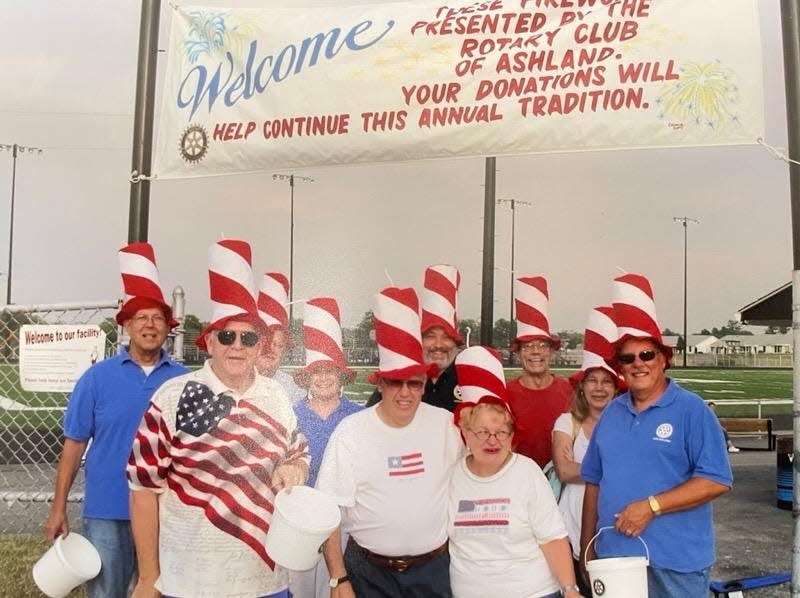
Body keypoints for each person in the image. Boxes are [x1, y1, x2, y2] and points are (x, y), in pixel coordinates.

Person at [127, 240, 309, 598]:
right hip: (191, 580)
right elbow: (143, 490)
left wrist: (296, 468)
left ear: (260, 347)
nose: (237, 345)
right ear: (209, 342)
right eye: (226, 336)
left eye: (248, 337)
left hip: (265, 580)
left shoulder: (277, 397)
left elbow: (298, 451)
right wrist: (149, 577)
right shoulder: (170, 397)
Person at [44, 242, 187, 598]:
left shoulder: (185, 380)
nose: (150, 326)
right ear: (126, 326)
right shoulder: (96, 378)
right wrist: (58, 507)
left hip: (166, 509)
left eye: (158, 318)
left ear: (168, 328)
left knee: (162, 590)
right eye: (141, 318)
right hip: (108, 509)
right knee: (107, 591)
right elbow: (74, 445)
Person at [580, 274, 732, 598]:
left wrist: (652, 506)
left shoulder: (692, 410)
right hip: (615, 560)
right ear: (619, 367)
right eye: (627, 358)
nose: (638, 364)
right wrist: (585, 549)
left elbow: (717, 479)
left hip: (675, 564)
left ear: (663, 359)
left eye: (646, 355)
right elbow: (594, 482)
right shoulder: (612, 413)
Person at [317, 286, 462, 598]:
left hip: (434, 572)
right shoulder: (351, 431)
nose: (405, 393)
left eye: (415, 383)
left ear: (425, 383)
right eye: (395, 382)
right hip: (369, 574)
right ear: (380, 383)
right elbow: (328, 508)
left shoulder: (446, 425)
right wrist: (338, 578)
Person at [448, 346, 581, 598]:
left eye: (501, 432)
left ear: (511, 436)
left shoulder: (526, 472)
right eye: (482, 432)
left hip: (532, 592)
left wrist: (570, 589)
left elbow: (552, 538)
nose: (492, 441)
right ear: (466, 433)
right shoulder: (453, 476)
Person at [289, 297, 362, 598]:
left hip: (344, 517)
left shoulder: (357, 415)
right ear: (306, 378)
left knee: (339, 584)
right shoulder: (290, 413)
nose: (323, 379)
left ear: (341, 376)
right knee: (301, 587)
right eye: (316, 373)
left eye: (329, 371)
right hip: (301, 515)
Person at [552, 306, 622, 594]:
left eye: (607, 381)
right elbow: (565, 470)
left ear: (617, 389)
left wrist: (588, 470)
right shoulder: (567, 421)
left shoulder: (626, 423)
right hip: (572, 524)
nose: (599, 388)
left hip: (614, 521)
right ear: (581, 387)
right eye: (592, 380)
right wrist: (614, 472)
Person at [366, 264, 462, 411]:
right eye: (430, 336)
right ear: (420, 338)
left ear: (456, 339)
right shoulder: (402, 376)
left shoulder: (469, 376)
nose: (438, 344)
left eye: (447, 337)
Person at [507, 276, 572, 468]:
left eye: (542, 345)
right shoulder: (505, 393)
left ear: (552, 351)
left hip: (562, 483)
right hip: (520, 482)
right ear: (518, 353)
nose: (536, 351)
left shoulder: (570, 391)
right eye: (528, 346)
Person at [256, 271, 305, 403]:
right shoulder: (233, 382)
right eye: (266, 342)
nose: (271, 350)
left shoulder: (295, 391)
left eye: (279, 345)